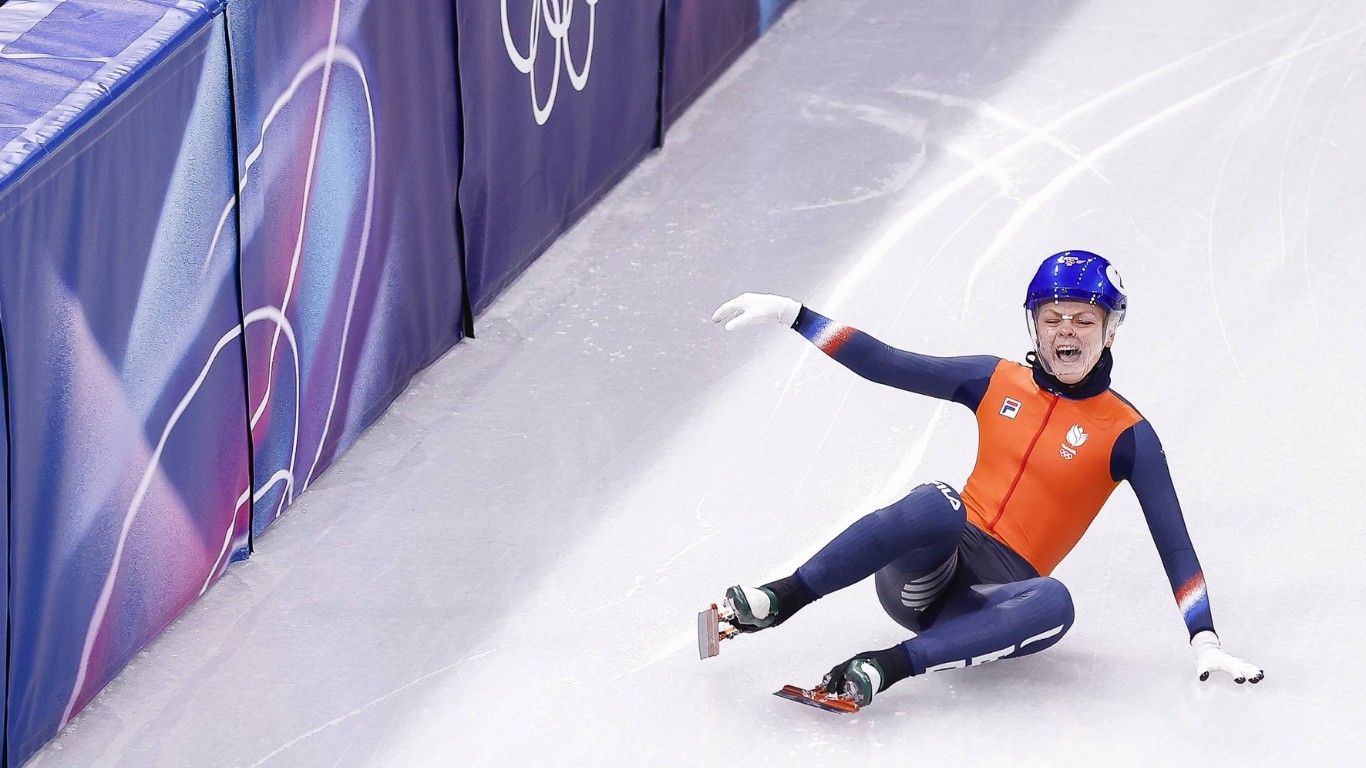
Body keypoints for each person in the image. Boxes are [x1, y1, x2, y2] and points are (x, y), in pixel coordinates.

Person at [707, 250, 1263, 707]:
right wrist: (794, 313)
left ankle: (883, 669)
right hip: (924, 571)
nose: (1066, 332)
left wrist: (1204, 636)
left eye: (1083, 320)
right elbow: (886, 362)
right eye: (1053, 319)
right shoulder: (994, 379)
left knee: (1057, 602)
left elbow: (1176, 544)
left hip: (987, 602)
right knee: (938, 503)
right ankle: (778, 599)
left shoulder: (1128, 435)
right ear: (1035, 326)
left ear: (1110, 331)